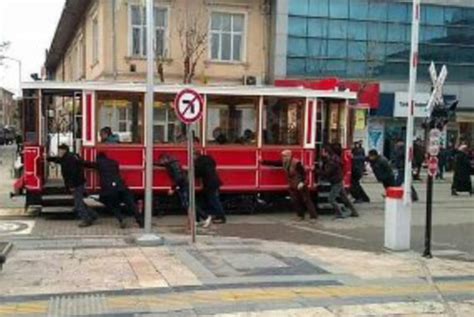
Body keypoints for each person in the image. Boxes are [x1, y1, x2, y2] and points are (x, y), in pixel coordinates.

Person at [83, 152, 144, 229]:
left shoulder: (99, 163)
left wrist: (78, 160)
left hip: (109, 189)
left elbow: (87, 164)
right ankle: (140, 221)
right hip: (121, 186)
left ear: (98, 158)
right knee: (131, 204)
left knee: (111, 204)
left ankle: (121, 219)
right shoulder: (114, 162)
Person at [47, 144, 98, 227]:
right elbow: (58, 159)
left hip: (77, 183)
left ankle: (86, 219)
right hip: (79, 182)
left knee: (78, 204)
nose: (58, 153)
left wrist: (71, 186)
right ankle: (93, 215)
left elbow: (72, 173)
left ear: (64, 150)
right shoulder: (70, 156)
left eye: (59, 151)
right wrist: (49, 158)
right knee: (79, 201)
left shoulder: (69, 159)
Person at [156, 154, 212, 227]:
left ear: (165, 159)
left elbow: (178, 178)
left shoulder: (172, 165)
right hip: (183, 185)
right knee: (188, 203)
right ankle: (196, 220)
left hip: (183, 186)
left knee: (188, 204)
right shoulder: (172, 163)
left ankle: (205, 217)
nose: (161, 162)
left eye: (161, 161)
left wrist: (172, 188)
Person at [262, 150, 318, 222]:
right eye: (282, 156)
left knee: (306, 200)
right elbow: (275, 163)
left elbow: (303, 173)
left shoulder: (297, 163)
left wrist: (302, 182)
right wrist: (263, 161)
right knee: (295, 200)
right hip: (292, 184)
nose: (283, 157)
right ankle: (300, 216)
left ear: (289, 156)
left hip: (300, 184)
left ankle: (313, 217)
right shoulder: (285, 162)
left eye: (284, 156)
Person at [320, 145, 358, 219]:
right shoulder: (334, 158)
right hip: (338, 180)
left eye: (322, 152)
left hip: (336, 182)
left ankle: (339, 213)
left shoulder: (331, 161)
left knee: (331, 199)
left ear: (326, 152)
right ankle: (354, 212)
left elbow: (327, 172)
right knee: (344, 198)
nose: (321, 153)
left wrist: (317, 171)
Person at [194, 152, 226, 224]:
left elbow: (197, 173)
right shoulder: (208, 160)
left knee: (214, 201)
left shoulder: (200, 163)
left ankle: (222, 217)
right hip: (215, 182)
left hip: (209, 184)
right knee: (214, 200)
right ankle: (218, 215)